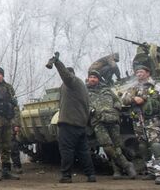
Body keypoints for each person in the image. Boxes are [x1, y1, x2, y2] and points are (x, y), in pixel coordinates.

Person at [46, 52, 96, 183]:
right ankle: (91, 175)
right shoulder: (82, 87)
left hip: (69, 124)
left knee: (66, 150)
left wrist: (57, 62)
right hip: (80, 125)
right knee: (83, 151)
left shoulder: (73, 82)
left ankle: (66, 176)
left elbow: (66, 76)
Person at [121, 64, 160, 185]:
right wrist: (135, 99)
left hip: (152, 120)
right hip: (138, 121)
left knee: (156, 146)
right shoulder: (133, 87)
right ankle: (151, 171)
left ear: (148, 73)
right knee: (143, 147)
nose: (139, 74)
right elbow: (124, 100)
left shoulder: (157, 87)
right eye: (137, 72)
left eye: (141, 72)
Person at [86, 70, 137, 179]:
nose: (93, 79)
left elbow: (117, 100)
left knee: (117, 146)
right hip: (98, 121)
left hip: (112, 119)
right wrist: (91, 111)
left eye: (95, 77)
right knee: (108, 147)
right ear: (88, 79)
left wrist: (116, 108)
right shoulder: (85, 92)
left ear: (98, 79)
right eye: (91, 77)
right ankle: (127, 165)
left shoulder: (107, 90)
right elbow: (83, 105)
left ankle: (117, 170)